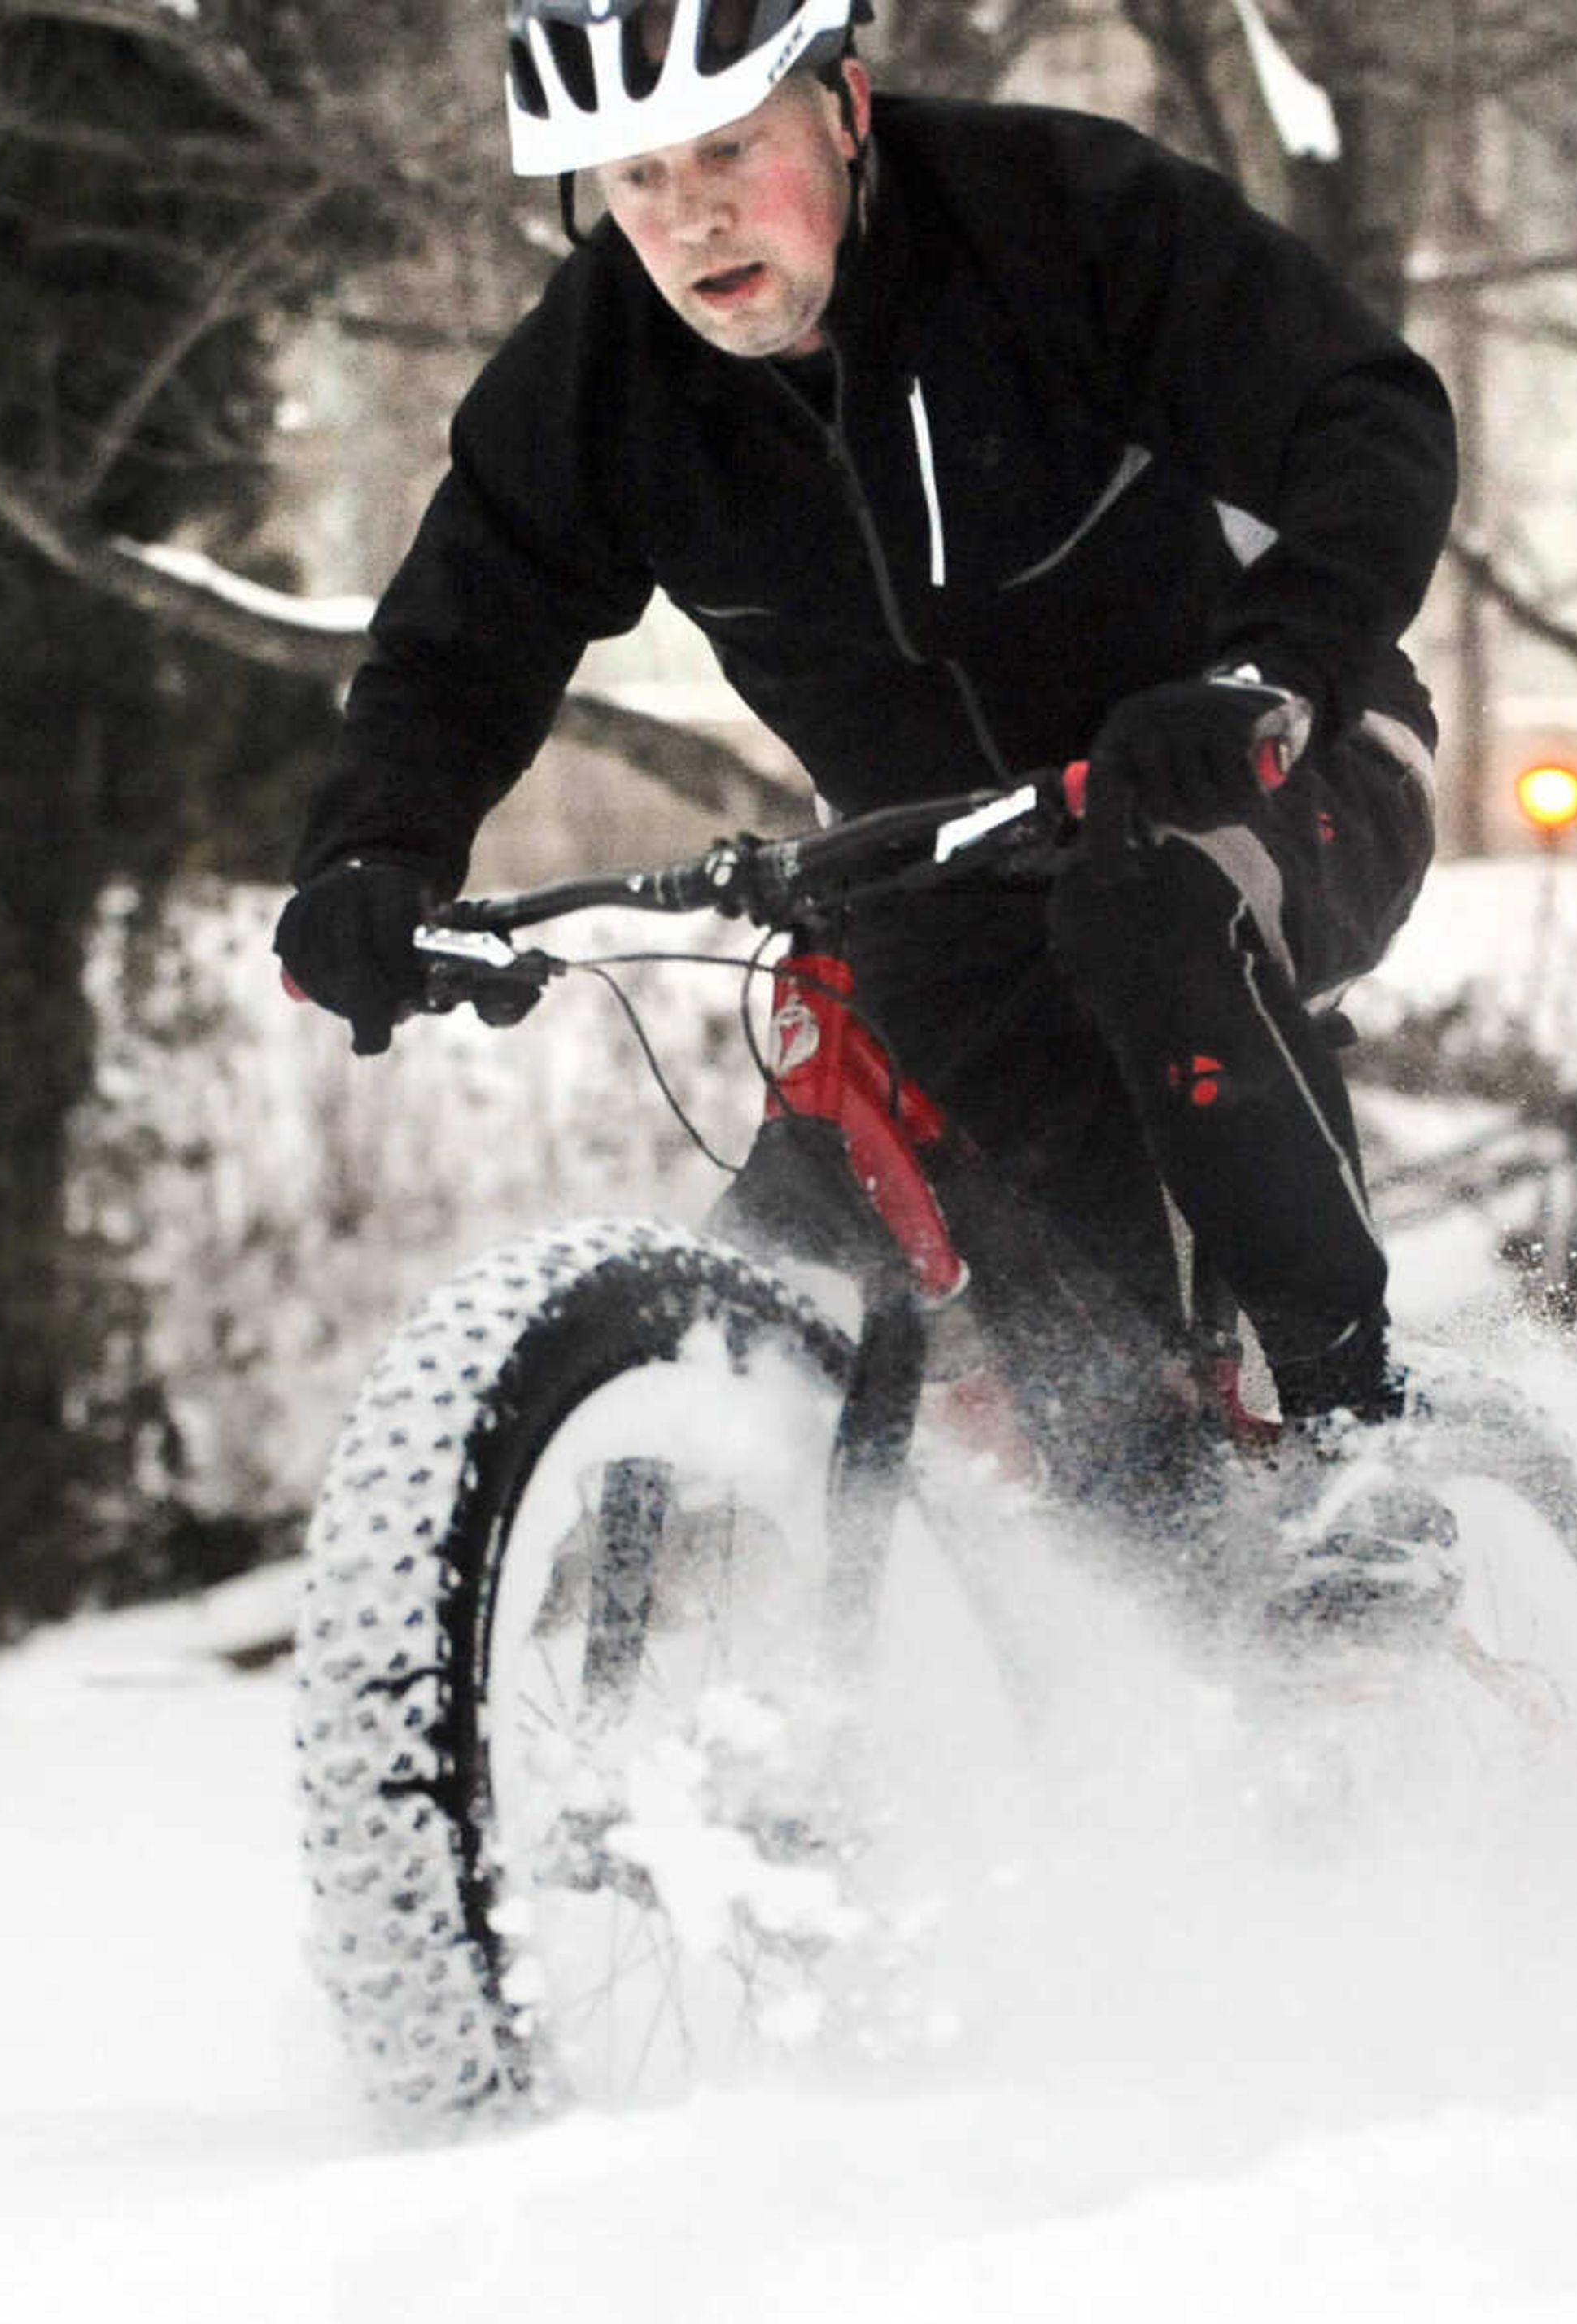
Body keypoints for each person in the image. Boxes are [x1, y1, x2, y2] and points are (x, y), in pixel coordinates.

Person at [273, 0, 1459, 1636]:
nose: (689, 215)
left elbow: (1362, 415)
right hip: (943, 866)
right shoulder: (603, 372)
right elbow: (461, 635)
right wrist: (371, 855)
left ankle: (1357, 1447)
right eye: (635, 177)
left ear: (840, 107)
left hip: (1272, 758)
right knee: (1013, 1341)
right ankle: (689, 1689)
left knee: (1146, 907)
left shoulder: (1060, 218)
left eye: (726, 151)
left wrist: (1272, 671)